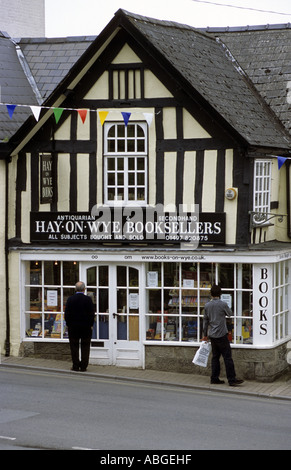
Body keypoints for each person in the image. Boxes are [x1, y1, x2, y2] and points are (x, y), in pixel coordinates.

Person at [202, 284, 244, 387]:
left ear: (211, 294)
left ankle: (214, 378)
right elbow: (230, 314)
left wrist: (205, 335)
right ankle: (231, 379)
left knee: (215, 357)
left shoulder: (207, 306)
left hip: (212, 335)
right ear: (220, 294)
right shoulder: (223, 304)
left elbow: (205, 322)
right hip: (221, 334)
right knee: (227, 357)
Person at [65, 281, 95, 371]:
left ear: (75, 289)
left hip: (73, 327)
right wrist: (91, 325)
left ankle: (75, 365)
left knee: (74, 346)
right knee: (85, 346)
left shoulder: (70, 299)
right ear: (84, 289)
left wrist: (68, 324)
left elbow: (67, 314)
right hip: (86, 327)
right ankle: (83, 366)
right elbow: (91, 314)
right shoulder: (88, 299)